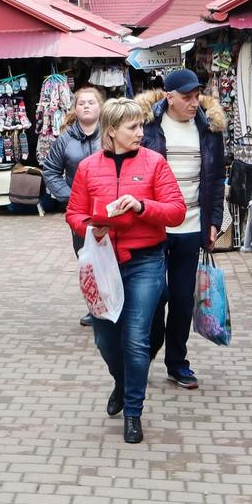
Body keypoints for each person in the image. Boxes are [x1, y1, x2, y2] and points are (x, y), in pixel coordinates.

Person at [65, 97, 186, 444]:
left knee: (135, 339)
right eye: (133, 127)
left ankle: (133, 412)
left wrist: (142, 205)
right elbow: (73, 213)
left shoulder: (154, 163)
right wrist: (91, 226)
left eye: (141, 125)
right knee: (105, 339)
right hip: (103, 264)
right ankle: (122, 381)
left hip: (145, 261)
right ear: (112, 131)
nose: (140, 132)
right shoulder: (89, 167)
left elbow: (176, 211)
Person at [137, 69, 226, 390]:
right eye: (186, 97)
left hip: (191, 226)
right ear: (168, 96)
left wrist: (214, 222)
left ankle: (177, 362)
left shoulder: (209, 129)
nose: (193, 103)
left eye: (196, 96)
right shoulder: (148, 128)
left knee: (182, 300)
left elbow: (216, 181)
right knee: (154, 296)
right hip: (154, 226)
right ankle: (145, 353)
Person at [40, 84, 106, 327]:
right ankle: (94, 308)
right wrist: (71, 198)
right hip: (80, 213)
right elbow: (50, 171)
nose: (86, 106)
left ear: (100, 107)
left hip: (110, 208)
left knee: (113, 255)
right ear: (75, 109)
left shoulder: (110, 133)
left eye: (91, 102)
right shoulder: (66, 139)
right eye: (81, 103)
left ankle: (115, 303)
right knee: (86, 258)